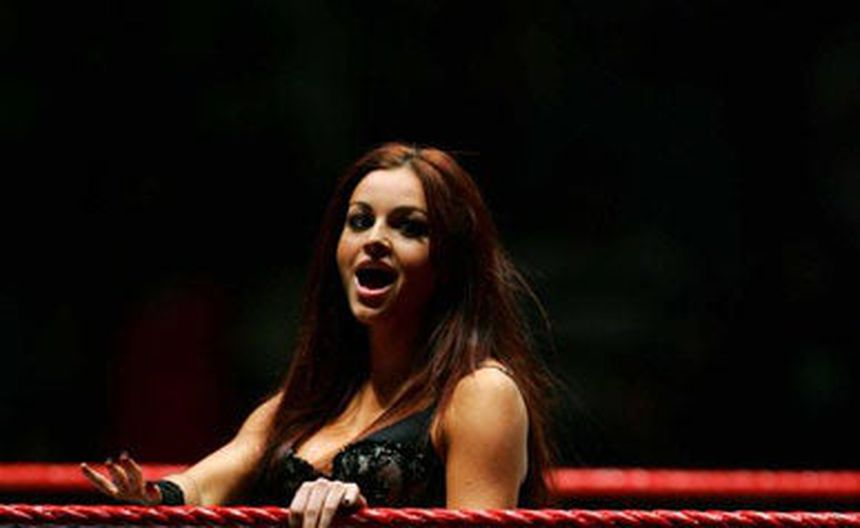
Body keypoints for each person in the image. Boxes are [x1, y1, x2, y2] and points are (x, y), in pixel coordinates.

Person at [82, 142, 557, 526]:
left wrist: (366, 522)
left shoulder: (480, 392)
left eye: (409, 227)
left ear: (450, 262)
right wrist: (150, 498)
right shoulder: (308, 400)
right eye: (360, 221)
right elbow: (205, 485)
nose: (375, 239)